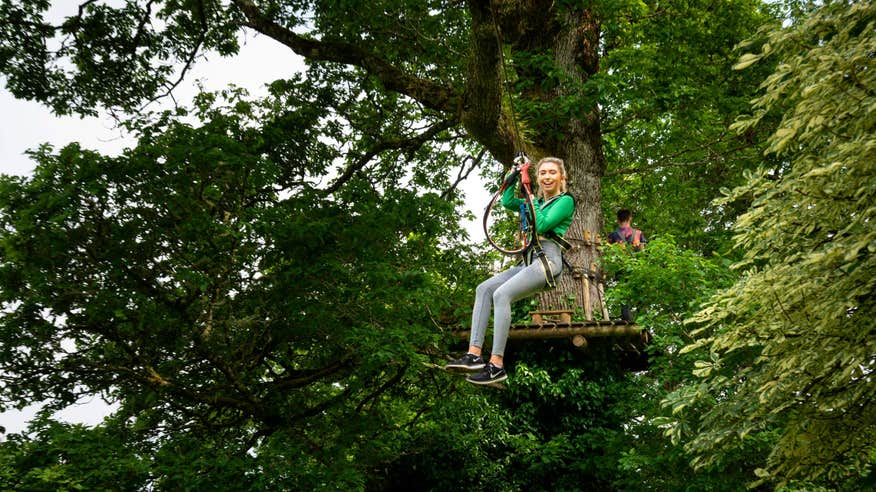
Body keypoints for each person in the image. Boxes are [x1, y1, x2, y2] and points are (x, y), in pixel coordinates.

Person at [446, 157, 575, 385]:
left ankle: (496, 365)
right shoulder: (534, 202)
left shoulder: (565, 201)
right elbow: (506, 201)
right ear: (537, 177)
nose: (546, 176)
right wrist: (514, 172)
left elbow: (542, 225)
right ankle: (474, 355)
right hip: (528, 261)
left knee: (501, 294)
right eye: (542, 172)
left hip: (547, 260)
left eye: (552, 173)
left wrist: (531, 197)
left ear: (561, 177)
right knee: (484, 289)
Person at [606, 209, 647, 321]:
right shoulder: (638, 233)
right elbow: (642, 252)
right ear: (630, 218)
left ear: (618, 220)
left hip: (621, 269)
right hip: (637, 268)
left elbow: (608, 253)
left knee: (624, 296)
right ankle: (644, 321)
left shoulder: (613, 235)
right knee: (640, 296)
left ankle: (626, 321)